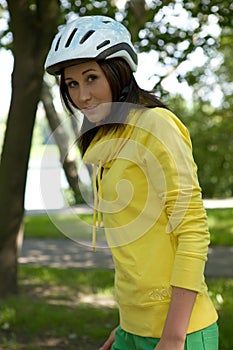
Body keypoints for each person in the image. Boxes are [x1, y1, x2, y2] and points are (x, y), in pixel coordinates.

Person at [45, 15, 219, 350]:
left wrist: (172, 336)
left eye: (91, 77)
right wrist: (128, 325)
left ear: (118, 72)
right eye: (72, 84)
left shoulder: (156, 125)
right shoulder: (109, 140)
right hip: (133, 328)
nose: (82, 95)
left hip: (180, 333)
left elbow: (193, 231)